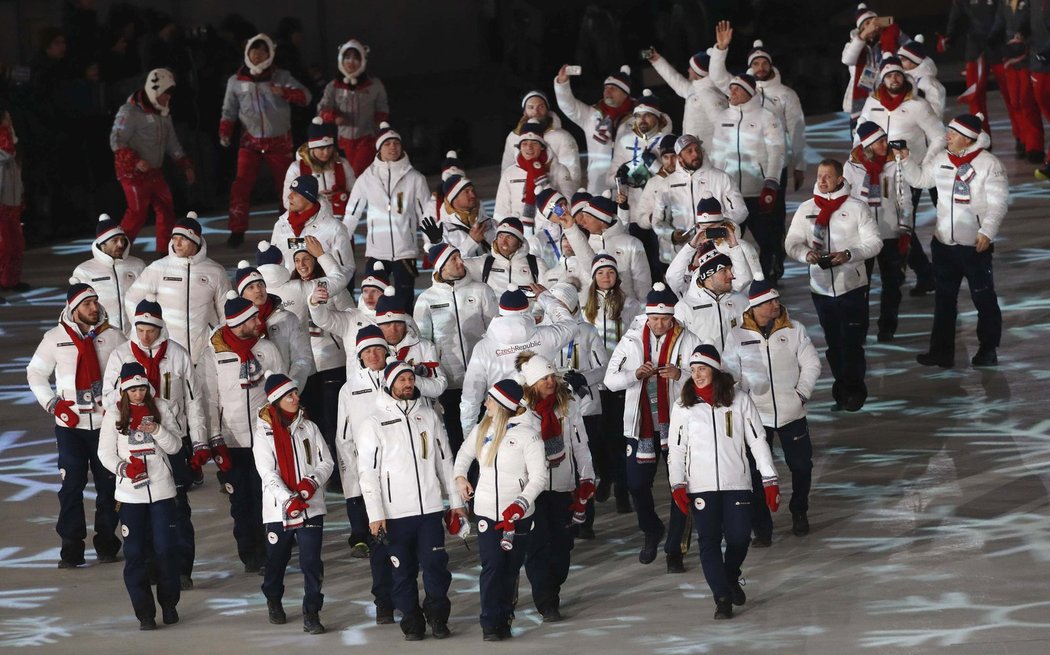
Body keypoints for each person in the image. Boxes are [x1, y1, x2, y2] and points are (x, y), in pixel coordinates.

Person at [667, 344, 779, 620]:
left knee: (740, 537)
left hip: (736, 483)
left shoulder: (739, 400)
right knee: (708, 541)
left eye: (702, 369)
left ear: (715, 370)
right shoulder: (683, 405)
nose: (697, 375)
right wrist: (677, 483)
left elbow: (757, 440)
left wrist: (769, 478)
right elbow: (676, 448)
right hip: (700, 486)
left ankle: (730, 576)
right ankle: (722, 596)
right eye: (693, 370)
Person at [356, 360, 466, 641]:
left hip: (429, 510)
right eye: (401, 380)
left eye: (410, 379)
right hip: (395, 515)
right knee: (402, 573)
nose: (407, 384)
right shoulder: (373, 422)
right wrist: (375, 515)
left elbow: (445, 462)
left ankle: (438, 616)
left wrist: (456, 504)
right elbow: (367, 473)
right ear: (389, 384)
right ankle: (412, 622)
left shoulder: (429, 416)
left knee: (436, 568)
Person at [103, 299, 206, 589]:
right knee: (140, 511)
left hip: (172, 438)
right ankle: (149, 568)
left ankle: (182, 569)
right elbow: (109, 399)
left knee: (178, 508)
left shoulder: (177, 354)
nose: (146, 335)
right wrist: (133, 407)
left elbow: (195, 401)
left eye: (152, 329)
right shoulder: (120, 354)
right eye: (141, 329)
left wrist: (199, 442)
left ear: (160, 327)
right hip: (134, 444)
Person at [27, 281, 127, 568]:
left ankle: (107, 541)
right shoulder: (53, 338)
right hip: (70, 427)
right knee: (72, 485)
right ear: (73, 309)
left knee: (109, 487)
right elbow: (35, 373)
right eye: (87, 304)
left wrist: (118, 407)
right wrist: (54, 403)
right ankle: (71, 546)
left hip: (106, 426)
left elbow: (128, 375)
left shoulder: (114, 337)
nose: (94, 308)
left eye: (95, 302)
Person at [603, 282, 700, 570]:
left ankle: (675, 550)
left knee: (678, 486)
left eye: (664, 319)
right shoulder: (631, 339)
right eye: (654, 318)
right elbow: (609, 381)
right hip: (640, 424)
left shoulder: (689, 339)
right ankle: (651, 529)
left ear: (672, 317)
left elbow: (708, 377)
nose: (658, 324)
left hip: (677, 426)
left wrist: (681, 375)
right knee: (636, 484)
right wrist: (634, 374)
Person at [899, 113, 1008, 368]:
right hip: (943, 245)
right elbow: (921, 180)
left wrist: (987, 232)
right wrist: (906, 161)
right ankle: (941, 352)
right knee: (944, 300)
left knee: (983, 298)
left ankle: (988, 349)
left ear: (967, 139)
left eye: (953, 133)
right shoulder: (940, 159)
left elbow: (998, 203)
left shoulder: (989, 164)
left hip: (974, 247)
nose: (946, 136)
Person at [453, 379, 547, 641]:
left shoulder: (529, 435)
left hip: (518, 516)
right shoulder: (483, 428)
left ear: (503, 404)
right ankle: (490, 622)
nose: (485, 404)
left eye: (490, 400)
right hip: (486, 512)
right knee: (492, 565)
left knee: (510, 567)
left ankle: (505, 615)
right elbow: (462, 455)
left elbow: (539, 477)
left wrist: (521, 503)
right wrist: (461, 478)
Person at [200, 291, 287, 572]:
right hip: (231, 440)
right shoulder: (213, 354)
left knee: (268, 496)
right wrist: (214, 438)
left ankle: (272, 549)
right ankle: (251, 554)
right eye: (253, 319)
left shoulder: (267, 349)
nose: (258, 323)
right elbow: (209, 398)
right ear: (240, 324)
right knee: (241, 501)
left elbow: (280, 394)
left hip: (265, 439)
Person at [785, 159, 881, 411]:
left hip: (852, 286)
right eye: (819, 175)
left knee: (851, 341)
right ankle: (841, 390)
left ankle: (855, 391)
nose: (822, 180)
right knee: (834, 343)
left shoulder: (857, 208)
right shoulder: (806, 209)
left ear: (840, 179)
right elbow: (792, 241)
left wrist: (849, 254)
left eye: (828, 176)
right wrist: (805, 254)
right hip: (821, 289)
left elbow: (875, 242)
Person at [729, 281, 820, 545]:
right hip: (756, 418)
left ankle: (799, 510)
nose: (775, 304)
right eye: (769, 301)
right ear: (755, 306)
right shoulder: (737, 335)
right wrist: (741, 390)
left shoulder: (795, 330)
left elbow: (811, 363)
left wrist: (801, 394)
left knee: (801, 466)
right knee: (756, 473)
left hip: (792, 413)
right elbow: (730, 370)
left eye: (776, 300)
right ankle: (762, 528)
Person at [98, 362, 184, 630]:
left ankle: (169, 604)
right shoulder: (113, 415)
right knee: (134, 554)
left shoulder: (161, 408)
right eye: (132, 389)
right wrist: (124, 468)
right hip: (130, 495)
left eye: (141, 388)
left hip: (161, 491)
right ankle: (145, 613)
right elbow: (105, 453)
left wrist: (157, 430)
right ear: (124, 391)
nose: (137, 394)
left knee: (165, 549)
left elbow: (176, 445)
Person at [253, 372, 334, 634]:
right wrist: (288, 499)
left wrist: (312, 482)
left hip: (310, 507)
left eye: (296, 393)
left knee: (311, 562)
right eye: (290, 395)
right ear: (277, 400)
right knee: (276, 560)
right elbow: (267, 472)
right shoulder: (263, 434)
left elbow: (327, 461)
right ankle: (273, 598)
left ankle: (312, 612)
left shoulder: (308, 427)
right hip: (279, 511)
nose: (296, 397)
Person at [517, 353, 595, 621]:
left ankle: (553, 586)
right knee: (537, 547)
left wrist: (587, 479)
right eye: (544, 378)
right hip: (532, 490)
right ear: (532, 383)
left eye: (553, 376)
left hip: (563, 486)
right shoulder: (519, 411)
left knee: (562, 546)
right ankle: (545, 600)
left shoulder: (568, 406)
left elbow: (581, 445)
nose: (551, 381)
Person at [220, 33, 311, 247]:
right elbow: (229, 110)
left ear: (270, 54)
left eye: (263, 52)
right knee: (241, 185)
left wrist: (284, 91)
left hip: (279, 141)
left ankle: (291, 226)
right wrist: (225, 130)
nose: (258, 56)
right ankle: (237, 230)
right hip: (250, 141)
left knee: (287, 186)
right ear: (247, 53)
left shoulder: (281, 76)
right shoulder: (235, 81)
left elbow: (306, 97)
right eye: (254, 51)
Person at [459, 285, 577, 438]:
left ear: (501, 310)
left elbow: (471, 397)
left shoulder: (484, 347)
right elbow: (570, 324)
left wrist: (469, 436)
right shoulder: (546, 337)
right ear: (526, 308)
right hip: (540, 420)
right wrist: (545, 297)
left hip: (501, 422)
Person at [335, 326, 395, 621]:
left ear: (387, 350)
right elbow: (343, 439)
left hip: (401, 476)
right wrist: (353, 481)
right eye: (366, 351)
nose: (373, 355)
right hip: (370, 477)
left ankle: (407, 598)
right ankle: (384, 601)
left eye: (377, 348)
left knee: (405, 544)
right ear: (359, 355)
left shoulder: (401, 379)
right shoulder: (349, 388)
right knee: (379, 543)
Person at [414, 243, 498, 453]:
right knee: (456, 436)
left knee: (487, 435)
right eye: (454, 259)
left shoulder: (482, 290)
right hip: (449, 383)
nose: (461, 262)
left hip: (483, 379)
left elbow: (496, 333)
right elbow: (424, 343)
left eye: (460, 257)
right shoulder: (426, 299)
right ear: (441, 267)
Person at [344, 122, 430, 311]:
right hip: (376, 251)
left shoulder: (415, 178)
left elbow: (426, 215)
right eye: (387, 144)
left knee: (405, 299)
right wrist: (340, 242)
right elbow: (352, 212)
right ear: (379, 148)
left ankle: (406, 335)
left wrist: (430, 245)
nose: (392, 147)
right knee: (372, 300)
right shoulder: (367, 178)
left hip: (405, 251)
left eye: (396, 143)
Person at [125, 213, 232, 365]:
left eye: (183, 239)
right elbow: (132, 298)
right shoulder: (158, 268)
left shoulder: (215, 271)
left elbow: (226, 312)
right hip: (167, 355)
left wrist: (222, 343)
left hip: (205, 355)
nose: (177, 243)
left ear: (195, 240)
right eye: (174, 238)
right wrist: (144, 330)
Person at [709, 74, 786, 281]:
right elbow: (717, 155)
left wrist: (771, 181)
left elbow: (777, 151)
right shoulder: (723, 117)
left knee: (766, 240)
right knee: (727, 241)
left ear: (749, 92)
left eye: (736, 89)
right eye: (730, 88)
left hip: (757, 191)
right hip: (731, 195)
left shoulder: (766, 117)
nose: (731, 92)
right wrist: (714, 187)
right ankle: (733, 279)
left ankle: (767, 279)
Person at [581, 254, 641, 513]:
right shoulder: (585, 308)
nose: (606, 277)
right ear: (594, 278)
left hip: (620, 380)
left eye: (611, 273)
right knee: (598, 437)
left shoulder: (630, 305)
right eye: (601, 273)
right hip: (596, 382)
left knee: (619, 437)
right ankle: (605, 476)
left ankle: (622, 490)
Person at [110, 68, 194, 251]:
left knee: (166, 209)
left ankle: (164, 253)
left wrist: (184, 164)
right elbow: (116, 140)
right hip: (131, 172)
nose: (168, 98)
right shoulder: (130, 111)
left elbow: (172, 143)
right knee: (137, 212)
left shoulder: (164, 113)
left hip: (153, 171)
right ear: (155, 90)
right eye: (166, 93)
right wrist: (134, 160)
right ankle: (117, 252)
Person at [844, 122, 910, 342]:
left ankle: (887, 327)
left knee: (892, 284)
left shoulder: (895, 164)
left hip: (889, 234)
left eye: (885, 139)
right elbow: (845, 200)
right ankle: (859, 328)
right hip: (862, 237)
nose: (886, 144)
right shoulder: (852, 166)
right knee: (860, 285)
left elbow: (904, 198)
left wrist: (905, 230)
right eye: (880, 141)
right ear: (869, 145)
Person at [652, 135, 747, 266]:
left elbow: (741, 211)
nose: (695, 154)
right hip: (682, 254)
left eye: (697, 149)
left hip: (718, 250)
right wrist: (672, 235)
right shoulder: (666, 184)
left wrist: (715, 225)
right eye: (689, 151)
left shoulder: (721, 178)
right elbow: (657, 221)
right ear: (679, 156)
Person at [493, 121, 574, 265]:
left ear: (542, 146)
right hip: (518, 236)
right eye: (524, 143)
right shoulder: (510, 173)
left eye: (534, 143)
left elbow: (567, 206)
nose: (528, 148)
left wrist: (544, 185)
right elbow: (501, 211)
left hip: (551, 235)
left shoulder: (559, 169)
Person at [553, 64, 637, 194]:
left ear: (625, 93)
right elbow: (568, 106)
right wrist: (562, 83)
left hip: (629, 183)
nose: (607, 92)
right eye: (606, 88)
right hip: (598, 183)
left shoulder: (638, 116)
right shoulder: (592, 114)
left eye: (613, 88)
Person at [557, 192, 653, 302]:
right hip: (594, 314)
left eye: (587, 217)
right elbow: (586, 271)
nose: (582, 221)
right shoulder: (585, 244)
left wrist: (642, 314)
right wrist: (570, 228)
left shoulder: (631, 244)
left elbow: (642, 284)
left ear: (602, 220)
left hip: (626, 313)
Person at [233, 260, 314, 389]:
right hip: (253, 395)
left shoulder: (287, 318)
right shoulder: (236, 326)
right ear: (242, 295)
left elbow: (302, 358)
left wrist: (290, 388)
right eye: (251, 287)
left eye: (260, 284)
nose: (258, 290)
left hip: (284, 392)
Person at [664, 196, 758, 304]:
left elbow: (743, 283)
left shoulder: (741, 247)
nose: (709, 231)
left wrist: (733, 246)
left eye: (713, 226)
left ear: (722, 223)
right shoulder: (692, 251)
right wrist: (691, 246)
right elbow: (672, 277)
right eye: (704, 227)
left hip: (731, 308)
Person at [317, 38, 390, 176]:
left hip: (367, 138)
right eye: (347, 57)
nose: (351, 62)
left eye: (356, 58)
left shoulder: (374, 85)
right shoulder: (333, 86)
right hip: (343, 142)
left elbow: (383, 109)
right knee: (348, 176)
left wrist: (380, 126)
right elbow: (321, 110)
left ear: (363, 61)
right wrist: (334, 116)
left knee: (358, 173)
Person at [671, 241, 749, 359]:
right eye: (724, 271)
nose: (731, 275)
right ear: (708, 275)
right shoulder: (684, 308)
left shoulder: (742, 301)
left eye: (730, 269)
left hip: (738, 373)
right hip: (703, 374)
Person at [72, 214, 146, 333]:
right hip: (102, 338)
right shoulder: (84, 271)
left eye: (122, 239)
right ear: (103, 243)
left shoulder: (138, 265)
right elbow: (74, 311)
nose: (121, 244)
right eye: (115, 241)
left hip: (135, 338)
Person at [271, 174, 355, 278]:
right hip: (292, 291)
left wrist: (326, 289)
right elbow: (273, 265)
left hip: (323, 291)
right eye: (291, 191)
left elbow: (346, 268)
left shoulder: (334, 228)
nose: (289, 196)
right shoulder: (281, 225)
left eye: (296, 193)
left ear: (308, 197)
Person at [646, 46, 728, 150]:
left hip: (708, 152)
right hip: (693, 150)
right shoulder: (695, 89)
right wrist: (657, 60)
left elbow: (722, 125)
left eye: (691, 68)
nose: (688, 70)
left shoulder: (710, 94)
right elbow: (674, 79)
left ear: (698, 71)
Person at [373, 289, 447, 400]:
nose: (393, 330)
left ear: (405, 323)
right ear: (379, 327)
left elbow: (440, 386)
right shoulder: (371, 352)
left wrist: (409, 379)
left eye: (398, 324)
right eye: (387, 324)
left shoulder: (425, 346)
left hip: (421, 411)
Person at [500, 90, 582, 189]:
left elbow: (572, 173)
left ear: (547, 109)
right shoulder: (513, 137)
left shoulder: (562, 137)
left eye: (541, 107)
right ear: (524, 112)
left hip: (553, 199)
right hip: (521, 198)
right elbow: (506, 172)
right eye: (531, 107)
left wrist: (564, 201)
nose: (536, 112)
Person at [841, 3, 905, 129]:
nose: (872, 27)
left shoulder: (887, 43)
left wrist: (893, 31)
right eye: (867, 24)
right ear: (860, 28)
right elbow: (848, 59)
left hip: (886, 98)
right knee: (861, 143)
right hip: (860, 102)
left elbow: (906, 50)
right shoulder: (852, 44)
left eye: (874, 22)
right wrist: (863, 36)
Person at [609, 89, 674, 207]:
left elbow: (678, 179)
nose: (642, 120)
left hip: (661, 205)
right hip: (632, 209)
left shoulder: (670, 140)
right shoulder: (624, 141)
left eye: (647, 115)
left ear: (657, 117)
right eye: (638, 116)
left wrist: (654, 165)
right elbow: (609, 180)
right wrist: (619, 178)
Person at [283, 117, 357, 220]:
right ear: (312, 149)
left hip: (339, 223)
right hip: (308, 225)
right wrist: (311, 198)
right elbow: (287, 202)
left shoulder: (342, 164)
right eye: (321, 148)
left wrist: (341, 196)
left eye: (329, 147)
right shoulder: (296, 168)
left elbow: (357, 196)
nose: (326, 152)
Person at [463, 217, 550, 293]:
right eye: (500, 236)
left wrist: (532, 311)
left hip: (526, 312)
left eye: (509, 237)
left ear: (520, 242)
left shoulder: (536, 264)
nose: (503, 242)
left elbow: (548, 298)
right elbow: (452, 262)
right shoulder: (484, 263)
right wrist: (471, 242)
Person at [0, 107, 27, 295]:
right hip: (2, 203)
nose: (10, 122)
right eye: (6, 118)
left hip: (12, 202)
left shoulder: (13, 150)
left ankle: (10, 281)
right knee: (4, 245)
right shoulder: (5, 149)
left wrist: (21, 195)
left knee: (16, 243)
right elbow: (6, 152)